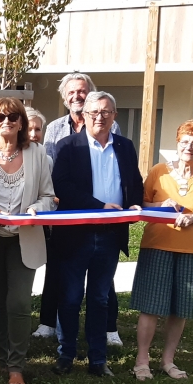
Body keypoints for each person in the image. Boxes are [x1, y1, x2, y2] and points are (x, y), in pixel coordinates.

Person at [51, 91, 143, 377]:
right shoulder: (68, 146)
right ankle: (66, 355)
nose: (100, 117)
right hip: (76, 234)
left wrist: (134, 203)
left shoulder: (125, 147)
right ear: (84, 115)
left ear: (114, 115)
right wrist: (100, 206)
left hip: (110, 234)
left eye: (106, 112)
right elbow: (62, 187)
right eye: (94, 112)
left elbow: (133, 181)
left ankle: (97, 360)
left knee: (100, 297)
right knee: (70, 296)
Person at [0, 99, 55, 384]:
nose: (6, 121)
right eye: (0, 117)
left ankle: (17, 365)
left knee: (18, 302)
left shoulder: (38, 153)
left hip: (24, 238)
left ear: (21, 123)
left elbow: (48, 196)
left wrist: (34, 211)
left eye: (13, 117)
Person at [132, 120, 193, 381]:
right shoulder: (158, 172)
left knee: (180, 308)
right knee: (150, 306)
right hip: (157, 245)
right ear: (177, 144)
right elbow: (141, 205)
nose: (190, 147)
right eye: (185, 141)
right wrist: (162, 204)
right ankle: (141, 362)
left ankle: (168, 361)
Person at [38, 72, 123, 346]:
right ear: (65, 97)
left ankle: (109, 328)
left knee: (102, 278)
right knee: (59, 271)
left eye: (82, 91)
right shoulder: (54, 129)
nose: (77, 96)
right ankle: (48, 324)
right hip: (64, 211)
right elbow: (50, 168)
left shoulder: (112, 126)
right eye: (72, 92)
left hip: (102, 215)